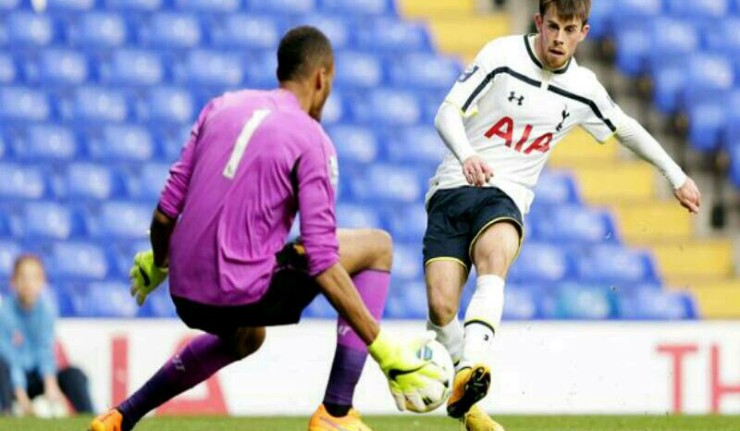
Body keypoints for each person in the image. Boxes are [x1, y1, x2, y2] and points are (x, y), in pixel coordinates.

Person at [89, 26, 446, 431]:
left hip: (186, 294)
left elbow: (165, 213)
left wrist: (162, 260)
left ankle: (121, 415)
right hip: (243, 291)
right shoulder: (312, 138)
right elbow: (323, 259)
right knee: (376, 246)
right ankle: (336, 411)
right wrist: (384, 349)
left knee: (247, 337)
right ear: (321, 78)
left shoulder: (219, 107)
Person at [423, 0, 703, 430]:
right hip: (454, 188)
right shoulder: (502, 56)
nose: (558, 38)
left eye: (569, 30)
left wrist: (676, 175)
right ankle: (471, 404)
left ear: (583, 32)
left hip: (507, 196)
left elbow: (625, 127)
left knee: (495, 255)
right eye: (552, 26)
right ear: (538, 22)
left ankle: (473, 367)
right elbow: (446, 112)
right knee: (442, 308)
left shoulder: (584, 88)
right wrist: (467, 155)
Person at [0, 254, 94, 416]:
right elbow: (9, 357)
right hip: (11, 381)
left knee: (74, 375)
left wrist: (50, 385)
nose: (28, 283)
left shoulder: (46, 311)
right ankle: (6, 414)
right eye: (23, 277)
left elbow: (45, 351)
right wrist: (22, 399)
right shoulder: (4, 312)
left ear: (42, 282)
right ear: (13, 281)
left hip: (36, 378)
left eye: (34, 278)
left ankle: (91, 418)